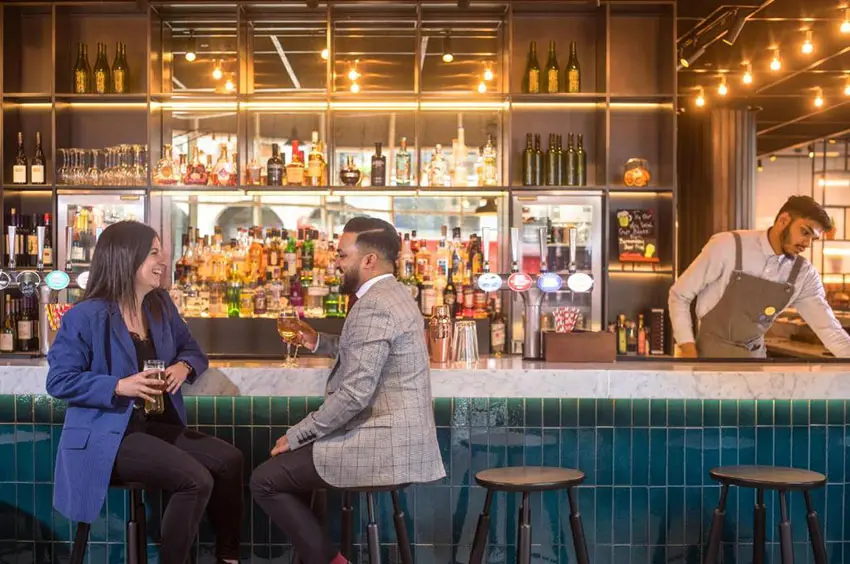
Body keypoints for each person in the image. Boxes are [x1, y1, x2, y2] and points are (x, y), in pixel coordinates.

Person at [250, 216, 445, 564]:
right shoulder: (396, 294)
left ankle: (332, 561)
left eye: (342, 255)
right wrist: (318, 342)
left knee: (264, 480)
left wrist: (298, 434)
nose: (336, 263)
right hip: (398, 440)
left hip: (381, 444)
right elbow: (366, 351)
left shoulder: (373, 305)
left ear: (368, 260)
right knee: (293, 475)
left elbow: (355, 394)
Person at [46, 221, 242, 564]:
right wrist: (118, 385)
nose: (163, 260)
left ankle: (228, 557)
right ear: (127, 257)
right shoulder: (85, 315)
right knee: (195, 480)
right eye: (154, 252)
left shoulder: (159, 305)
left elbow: (193, 350)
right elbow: (59, 380)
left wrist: (184, 366)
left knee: (229, 460)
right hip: (107, 435)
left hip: (151, 426)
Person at [669, 195, 850, 358]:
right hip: (709, 358)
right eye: (805, 232)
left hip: (756, 364)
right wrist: (687, 348)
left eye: (813, 238)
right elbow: (679, 295)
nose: (807, 243)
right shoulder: (727, 246)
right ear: (783, 220)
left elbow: (829, 329)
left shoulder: (804, 274)